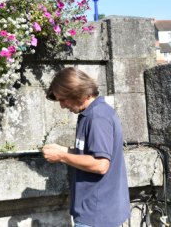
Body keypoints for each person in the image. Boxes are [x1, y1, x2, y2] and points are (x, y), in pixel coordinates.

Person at [42, 67, 130, 227]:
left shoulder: (98, 117)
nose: (62, 106)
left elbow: (101, 164)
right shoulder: (91, 113)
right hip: (97, 211)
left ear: (77, 92)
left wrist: (62, 157)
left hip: (96, 216)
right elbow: (90, 153)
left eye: (63, 99)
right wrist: (64, 151)